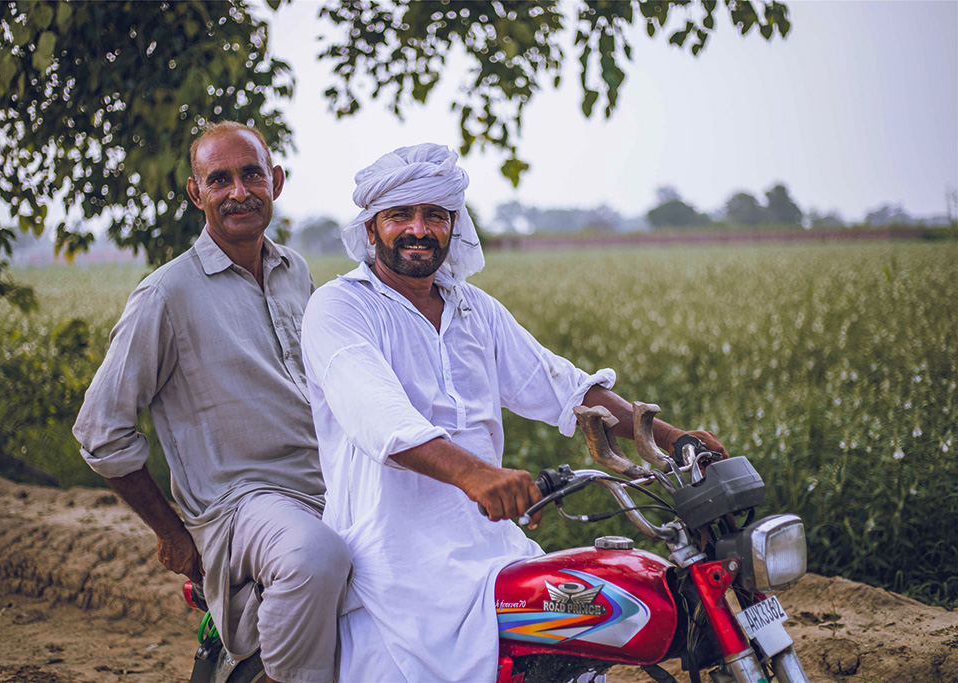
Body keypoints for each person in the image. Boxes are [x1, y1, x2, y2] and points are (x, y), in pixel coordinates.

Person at [300, 143, 727, 682]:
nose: (419, 229)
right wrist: (476, 475)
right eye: (400, 215)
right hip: (396, 563)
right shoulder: (341, 307)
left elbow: (564, 387)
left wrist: (671, 437)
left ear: (454, 225)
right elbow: (378, 416)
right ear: (371, 228)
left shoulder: (474, 310)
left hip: (493, 548)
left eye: (435, 215)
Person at [73, 121, 351, 683]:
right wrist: (172, 533)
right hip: (242, 503)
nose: (239, 192)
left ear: (275, 181)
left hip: (332, 486)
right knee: (312, 558)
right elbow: (101, 429)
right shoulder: (165, 294)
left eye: (251, 175)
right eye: (219, 179)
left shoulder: (294, 271)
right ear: (196, 193)